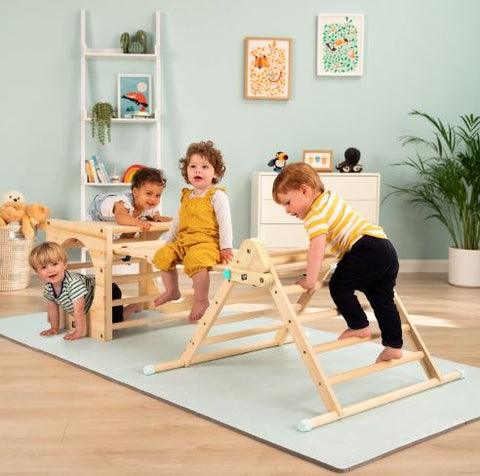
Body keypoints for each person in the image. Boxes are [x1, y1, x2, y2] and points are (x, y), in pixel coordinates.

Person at [272, 162, 403, 362]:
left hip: (366, 248)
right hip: (385, 248)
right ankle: (394, 346)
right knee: (382, 299)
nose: (287, 211)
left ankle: (359, 326)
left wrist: (310, 280)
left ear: (305, 190)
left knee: (339, 286)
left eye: (288, 203)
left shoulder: (314, 215)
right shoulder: (330, 199)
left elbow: (317, 248)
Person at [152, 140, 234, 321]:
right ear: (186, 171)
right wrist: (169, 242)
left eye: (205, 167)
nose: (198, 171)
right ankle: (172, 291)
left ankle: (201, 300)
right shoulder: (187, 196)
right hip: (183, 242)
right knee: (163, 255)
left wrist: (226, 247)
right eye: (193, 166)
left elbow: (225, 223)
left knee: (196, 260)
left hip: (206, 243)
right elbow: (178, 222)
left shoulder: (217, 196)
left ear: (215, 173)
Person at [29, 242, 140, 340]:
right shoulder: (49, 288)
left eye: (54, 264)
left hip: (108, 290)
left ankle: (134, 306)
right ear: (37, 271)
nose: (50, 270)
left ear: (64, 264)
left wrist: (78, 332)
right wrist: (54, 327)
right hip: (90, 294)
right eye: (43, 267)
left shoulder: (73, 284)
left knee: (115, 321)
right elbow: (52, 308)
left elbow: (79, 310)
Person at [87, 167, 171, 230]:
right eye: (148, 193)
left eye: (158, 195)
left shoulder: (149, 205)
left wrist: (158, 218)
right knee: (88, 232)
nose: (153, 199)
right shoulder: (124, 202)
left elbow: (155, 212)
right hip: (95, 211)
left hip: (110, 220)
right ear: (135, 192)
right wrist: (138, 222)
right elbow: (121, 218)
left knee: (130, 230)